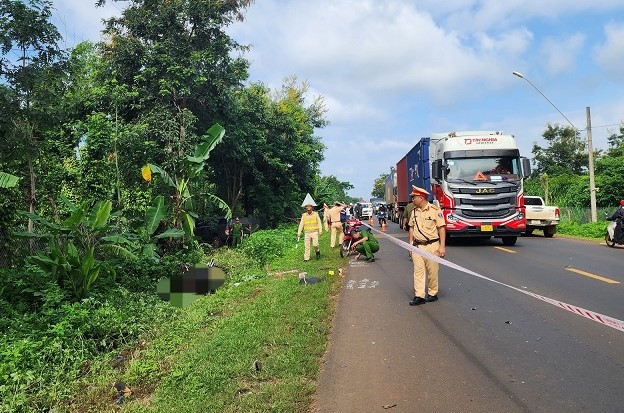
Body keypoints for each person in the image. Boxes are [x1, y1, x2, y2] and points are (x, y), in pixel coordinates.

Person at [407, 186, 446, 306]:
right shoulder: (414, 211)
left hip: (432, 246)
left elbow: (441, 228)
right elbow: (412, 228)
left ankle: (432, 293)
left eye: (414, 198)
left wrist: (442, 246)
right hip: (417, 246)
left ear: (421, 198)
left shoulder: (435, 211)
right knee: (418, 271)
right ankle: (419, 296)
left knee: (432, 271)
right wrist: (410, 244)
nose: (413, 200)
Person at [297, 193, 323, 261]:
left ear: (312, 207)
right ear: (305, 208)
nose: (308, 209)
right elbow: (301, 224)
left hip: (314, 232)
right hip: (307, 232)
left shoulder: (315, 214)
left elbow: (319, 223)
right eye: (307, 207)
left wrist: (320, 230)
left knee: (315, 244)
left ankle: (317, 251)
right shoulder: (304, 215)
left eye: (309, 207)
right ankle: (306, 258)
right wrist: (299, 232)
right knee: (307, 246)